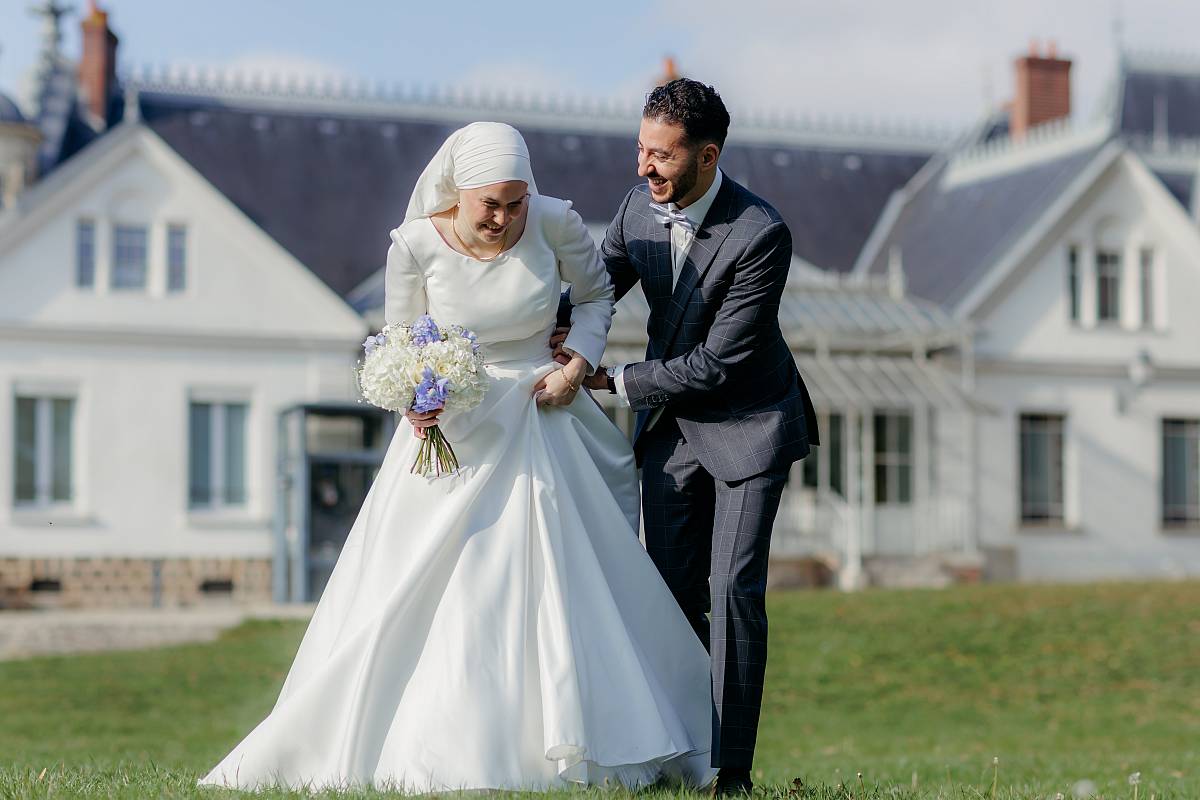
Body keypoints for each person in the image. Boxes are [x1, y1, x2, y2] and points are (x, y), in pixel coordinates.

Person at [198, 122, 715, 793]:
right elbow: (399, 340)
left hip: (541, 413)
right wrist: (413, 400)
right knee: (437, 583)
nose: (504, 218)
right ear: (457, 192)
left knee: (562, 575)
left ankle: (591, 736)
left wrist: (575, 365)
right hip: (452, 432)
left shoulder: (554, 223)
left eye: (515, 203)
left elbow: (595, 298)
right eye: (489, 205)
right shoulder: (414, 245)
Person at [557, 78, 819, 795]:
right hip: (672, 430)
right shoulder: (635, 206)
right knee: (669, 594)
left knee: (732, 590)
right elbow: (595, 293)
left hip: (749, 426)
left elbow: (717, 365)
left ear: (708, 156)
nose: (645, 168)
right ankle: (683, 750)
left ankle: (732, 771)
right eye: (640, 149)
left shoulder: (761, 233)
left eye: (662, 156)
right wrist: (529, 331)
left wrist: (609, 380)